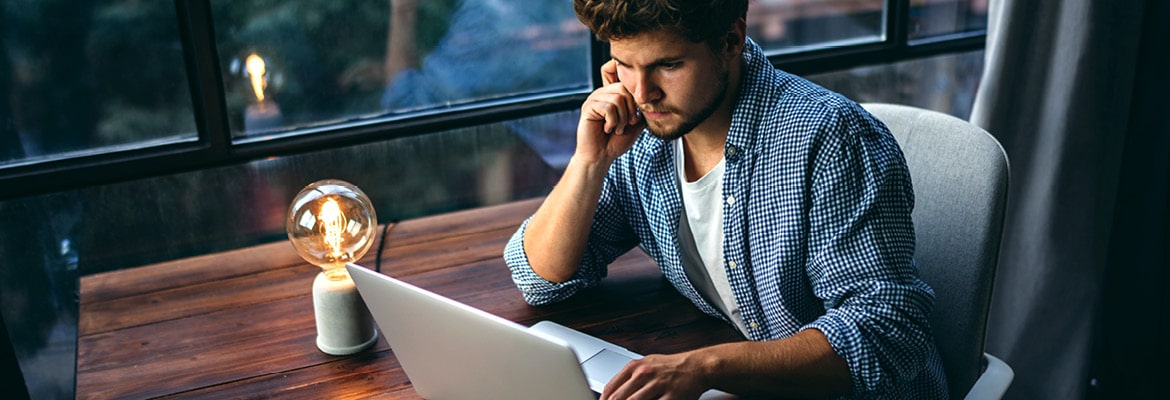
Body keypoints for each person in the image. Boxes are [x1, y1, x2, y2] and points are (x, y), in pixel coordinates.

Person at [503, 0, 948, 398]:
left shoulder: (830, 138)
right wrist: (590, 161)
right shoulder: (640, 137)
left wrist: (707, 367)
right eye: (623, 65)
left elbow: (885, 331)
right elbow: (541, 278)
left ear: (732, 40)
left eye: (668, 65)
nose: (642, 93)